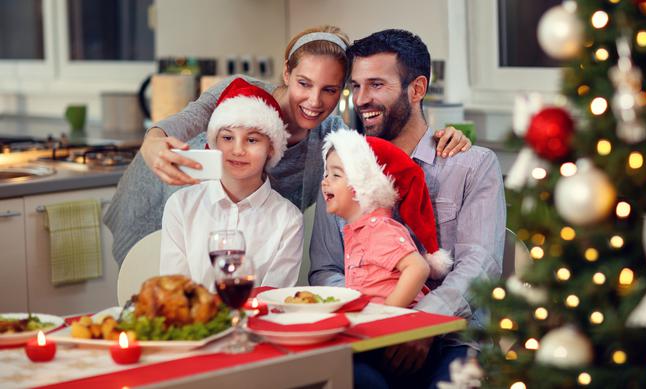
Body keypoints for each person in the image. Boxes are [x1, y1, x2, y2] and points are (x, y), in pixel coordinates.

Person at [104, 25, 471, 266]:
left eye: (330, 89)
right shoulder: (241, 92)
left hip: (238, 233)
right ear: (286, 73)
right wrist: (152, 142)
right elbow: (186, 119)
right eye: (304, 83)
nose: (314, 100)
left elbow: (378, 160)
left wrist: (441, 137)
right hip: (171, 198)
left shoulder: (328, 134)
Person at [309, 29, 506, 389]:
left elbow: (481, 266)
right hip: (366, 338)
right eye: (356, 86)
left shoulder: (472, 165)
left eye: (377, 85)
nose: (362, 99)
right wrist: (378, 318)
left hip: (453, 339)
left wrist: (420, 324)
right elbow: (325, 269)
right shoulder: (340, 169)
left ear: (416, 89)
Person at [160, 78, 303, 289]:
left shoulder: (288, 220)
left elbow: (273, 299)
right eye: (227, 138)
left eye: (252, 140)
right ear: (213, 142)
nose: (238, 150)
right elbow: (176, 292)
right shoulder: (181, 206)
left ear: (271, 148)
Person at [321, 129, 454, 307]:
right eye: (326, 174)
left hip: (401, 331)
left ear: (365, 185)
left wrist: (388, 313)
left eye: (336, 175)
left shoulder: (379, 230)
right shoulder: (360, 231)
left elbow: (418, 268)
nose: (325, 181)